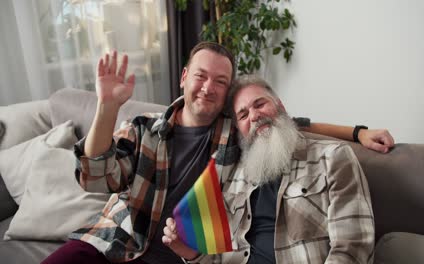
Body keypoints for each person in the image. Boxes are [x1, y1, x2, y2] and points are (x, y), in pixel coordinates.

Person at [43, 42, 386, 264]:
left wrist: (358, 132)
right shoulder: (144, 127)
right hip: (113, 244)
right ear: (183, 77)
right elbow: (95, 178)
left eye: (220, 82)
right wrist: (106, 107)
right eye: (201, 76)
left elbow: (288, 123)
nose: (208, 88)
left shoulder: (236, 132)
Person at [163, 75, 375, 263]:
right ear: (239, 130)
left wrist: (358, 132)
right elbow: (218, 257)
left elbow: (352, 247)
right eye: (243, 115)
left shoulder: (333, 157)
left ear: (281, 107)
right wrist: (191, 253)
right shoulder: (230, 174)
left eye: (260, 104)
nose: (254, 116)